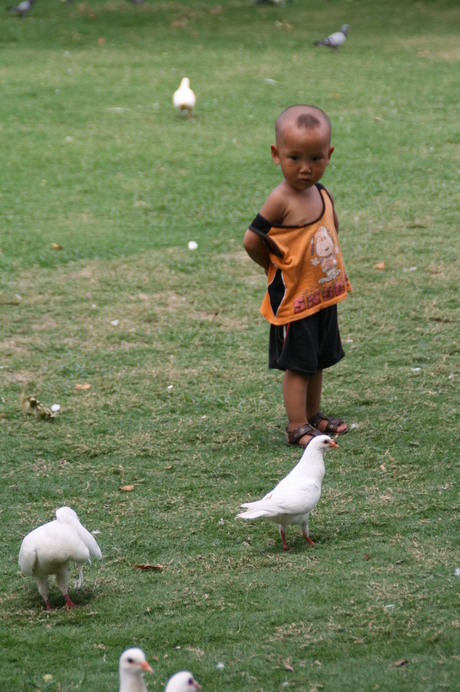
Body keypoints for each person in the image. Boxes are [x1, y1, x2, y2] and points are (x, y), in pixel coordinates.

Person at [243, 104, 352, 447]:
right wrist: (272, 266)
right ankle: (296, 426)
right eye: (294, 159)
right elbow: (252, 240)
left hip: (321, 294)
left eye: (315, 158)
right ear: (277, 155)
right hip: (294, 298)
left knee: (317, 359)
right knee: (298, 364)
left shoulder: (322, 193)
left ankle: (313, 415)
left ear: (328, 155)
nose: (305, 169)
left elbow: (331, 229)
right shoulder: (281, 199)